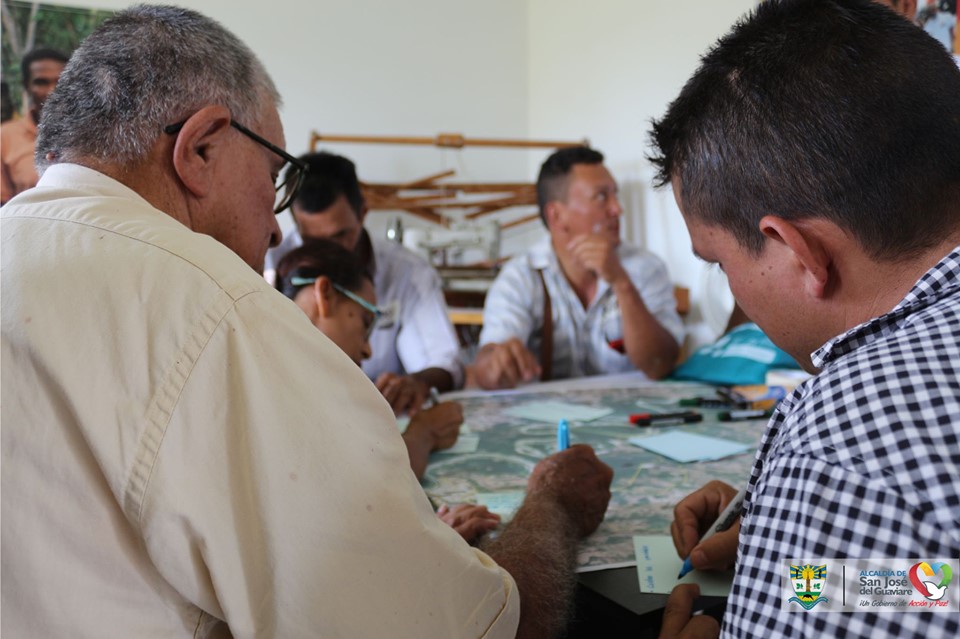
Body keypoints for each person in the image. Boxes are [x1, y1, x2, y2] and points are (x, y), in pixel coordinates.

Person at [1, 6, 616, 637]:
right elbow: (470, 629)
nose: (274, 228)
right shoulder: (224, 312)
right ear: (201, 147)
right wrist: (554, 505)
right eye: (274, 178)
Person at [649, 0, 960, 637]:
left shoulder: (842, 447)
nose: (728, 284)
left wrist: (818, 505)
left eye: (718, 262)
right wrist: (800, 568)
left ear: (796, 251)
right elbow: (941, 589)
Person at [275, 239, 500, 542]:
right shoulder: (287, 385)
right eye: (366, 323)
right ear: (325, 294)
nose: (368, 349)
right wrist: (424, 434)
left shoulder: (291, 370)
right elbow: (369, 490)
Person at [264, 151, 463, 415]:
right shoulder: (267, 267)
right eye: (313, 241)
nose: (329, 251)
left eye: (341, 234)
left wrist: (417, 383)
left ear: (363, 213)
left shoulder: (408, 272)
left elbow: (443, 360)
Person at [473, 146, 684, 390]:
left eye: (615, 195)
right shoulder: (521, 277)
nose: (617, 209)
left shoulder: (645, 268)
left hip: (629, 418)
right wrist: (497, 363)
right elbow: (487, 370)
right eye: (602, 197)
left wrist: (621, 283)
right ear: (557, 215)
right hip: (549, 422)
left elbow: (660, 365)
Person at [0, 47, 68, 204]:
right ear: (26, 86)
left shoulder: (93, 133)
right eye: (41, 82)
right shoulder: (5, 138)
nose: (51, 91)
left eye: (60, 82)